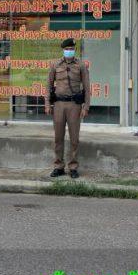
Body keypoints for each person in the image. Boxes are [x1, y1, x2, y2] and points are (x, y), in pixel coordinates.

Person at [45, 38, 90, 178]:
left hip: (74, 105)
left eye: (71, 49)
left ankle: (73, 167)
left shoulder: (81, 65)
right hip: (58, 105)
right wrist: (47, 103)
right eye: (67, 49)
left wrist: (86, 106)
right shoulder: (55, 65)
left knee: (74, 138)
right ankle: (58, 166)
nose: (69, 51)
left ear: (74, 50)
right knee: (58, 137)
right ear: (63, 50)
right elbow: (48, 85)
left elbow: (87, 87)